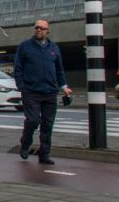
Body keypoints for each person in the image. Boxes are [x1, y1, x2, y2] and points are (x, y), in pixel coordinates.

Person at [13, 19, 72, 165]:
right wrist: (22, 86)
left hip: (50, 92)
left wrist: (64, 86)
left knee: (48, 124)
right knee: (33, 120)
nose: (39, 30)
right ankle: (25, 143)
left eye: (42, 28)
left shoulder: (54, 48)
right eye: (37, 27)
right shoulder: (25, 47)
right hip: (31, 91)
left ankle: (44, 154)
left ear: (47, 31)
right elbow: (18, 68)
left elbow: (59, 69)